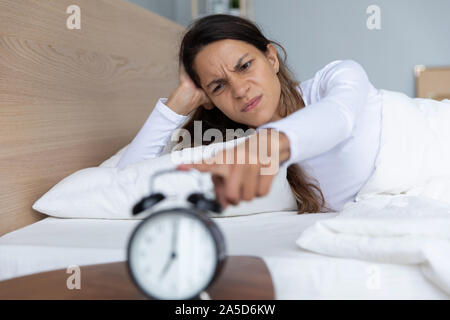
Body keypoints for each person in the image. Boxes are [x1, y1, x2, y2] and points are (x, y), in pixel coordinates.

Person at [116, 14, 383, 214]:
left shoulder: (336, 79)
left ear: (271, 58)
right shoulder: (233, 147)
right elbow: (122, 186)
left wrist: (271, 143)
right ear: (207, 99)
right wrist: (175, 106)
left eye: (244, 66)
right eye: (218, 86)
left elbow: (339, 118)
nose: (240, 90)